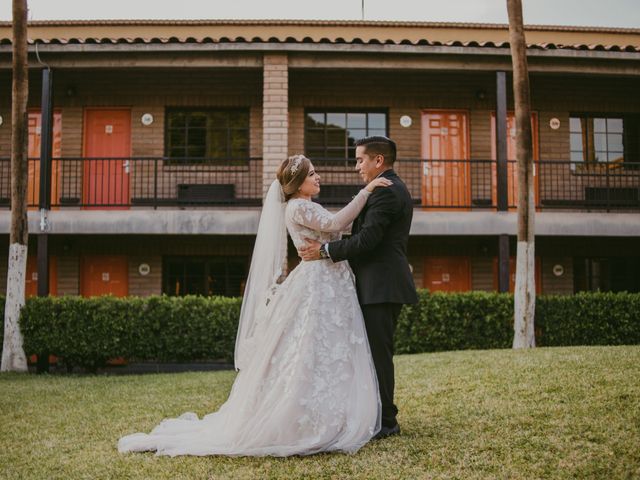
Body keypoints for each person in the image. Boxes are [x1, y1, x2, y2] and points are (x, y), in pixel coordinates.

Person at [117, 155, 392, 457]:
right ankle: (301, 416)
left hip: (332, 281)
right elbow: (337, 222)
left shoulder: (307, 205)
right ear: (297, 183)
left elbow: (340, 225)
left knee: (331, 345)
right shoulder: (299, 207)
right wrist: (366, 192)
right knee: (310, 344)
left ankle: (335, 411)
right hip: (318, 283)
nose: (318, 177)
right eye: (312, 174)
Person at [299, 136, 418, 439]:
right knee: (371, 353)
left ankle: (387, 422)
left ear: (378, 160)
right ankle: (374, 416)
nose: (357, 167)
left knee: (379, 354)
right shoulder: (381, 189)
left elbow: (368, 241)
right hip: (377, 283)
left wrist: (324, 252)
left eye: (360, 160)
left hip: (382, 285)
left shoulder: (388, 192)